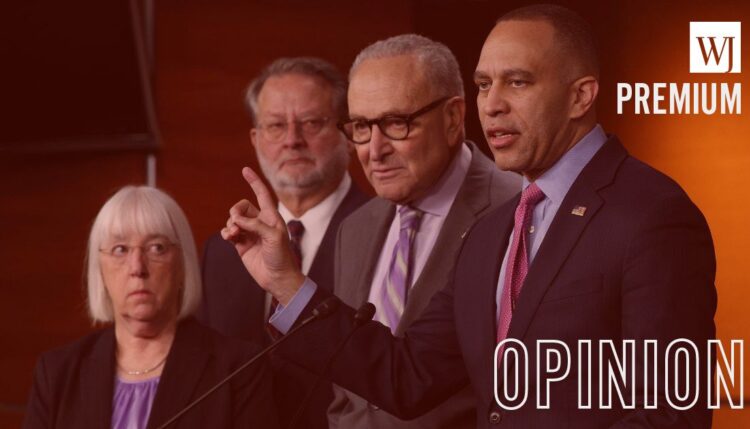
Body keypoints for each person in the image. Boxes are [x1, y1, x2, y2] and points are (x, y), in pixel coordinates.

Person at [223, 4, 717, 428]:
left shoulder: (652, 215)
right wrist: (286, 283)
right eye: (484, 84)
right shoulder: (493, 232)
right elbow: (406, 375)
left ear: (580, 96)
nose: (494, 105)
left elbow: (669, 415)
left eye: (518, 82)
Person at [329, 34, 517, 428]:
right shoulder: (354, 228)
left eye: (397, 123)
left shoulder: (517, 210)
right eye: (361, 126)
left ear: (452, 119)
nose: (373, 150)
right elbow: (348, 392)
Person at [196, 57, 369, 428]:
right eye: (276, 126)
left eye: (311, 123)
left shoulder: (383, 231)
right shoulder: (221, 253)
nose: (293, 140)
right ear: (256, 140)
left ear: (349, 134)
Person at [24, 186, 276, 429]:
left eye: (156, 247)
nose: (137, 267)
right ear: (99, 269)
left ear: (182, 264)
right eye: (120, 249)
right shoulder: (57, 372)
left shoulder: (239, 369)